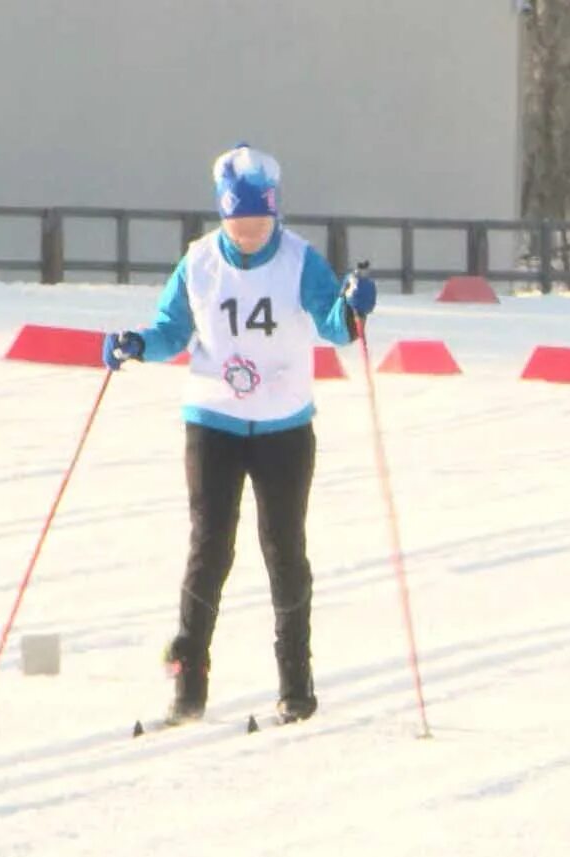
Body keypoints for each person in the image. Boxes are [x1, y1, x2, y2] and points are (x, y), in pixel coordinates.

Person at [101, 144, 376, 723]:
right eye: (238, 225)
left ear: (274, 215)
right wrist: (136, 344)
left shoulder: (300, 261)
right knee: (209, 546)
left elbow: (335, 326)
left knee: (283, 549)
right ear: (223, 216)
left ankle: (296, 687)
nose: (248, 236)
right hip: (213, 420)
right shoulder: (199, 262)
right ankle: (189, 683)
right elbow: (172, 331)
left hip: (284, 426)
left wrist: (354, 309)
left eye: (259, 225)